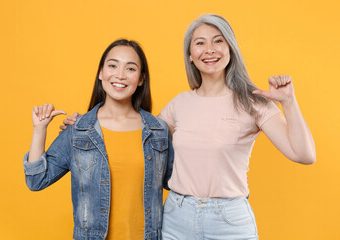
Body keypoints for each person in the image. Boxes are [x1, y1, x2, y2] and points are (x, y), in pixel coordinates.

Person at [61, 15, 316, 240]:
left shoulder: (254, 103)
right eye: (200, 43)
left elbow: (304, 155)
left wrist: (289, 103)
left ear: (230, 48)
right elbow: (132, 139)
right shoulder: (179, 105)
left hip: (230, 220)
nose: (209, 50)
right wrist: (86, 127)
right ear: (191, 56)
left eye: (218, 41)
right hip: (177, 217)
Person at [23, 39, 174, 240]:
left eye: (130, 68)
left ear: (141, 79)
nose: (120, 74)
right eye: (112, 65)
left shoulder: (158, 131)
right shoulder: (79, 130)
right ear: (101, 73)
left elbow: (178, 183)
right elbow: (36, 181)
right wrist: (39, 130)